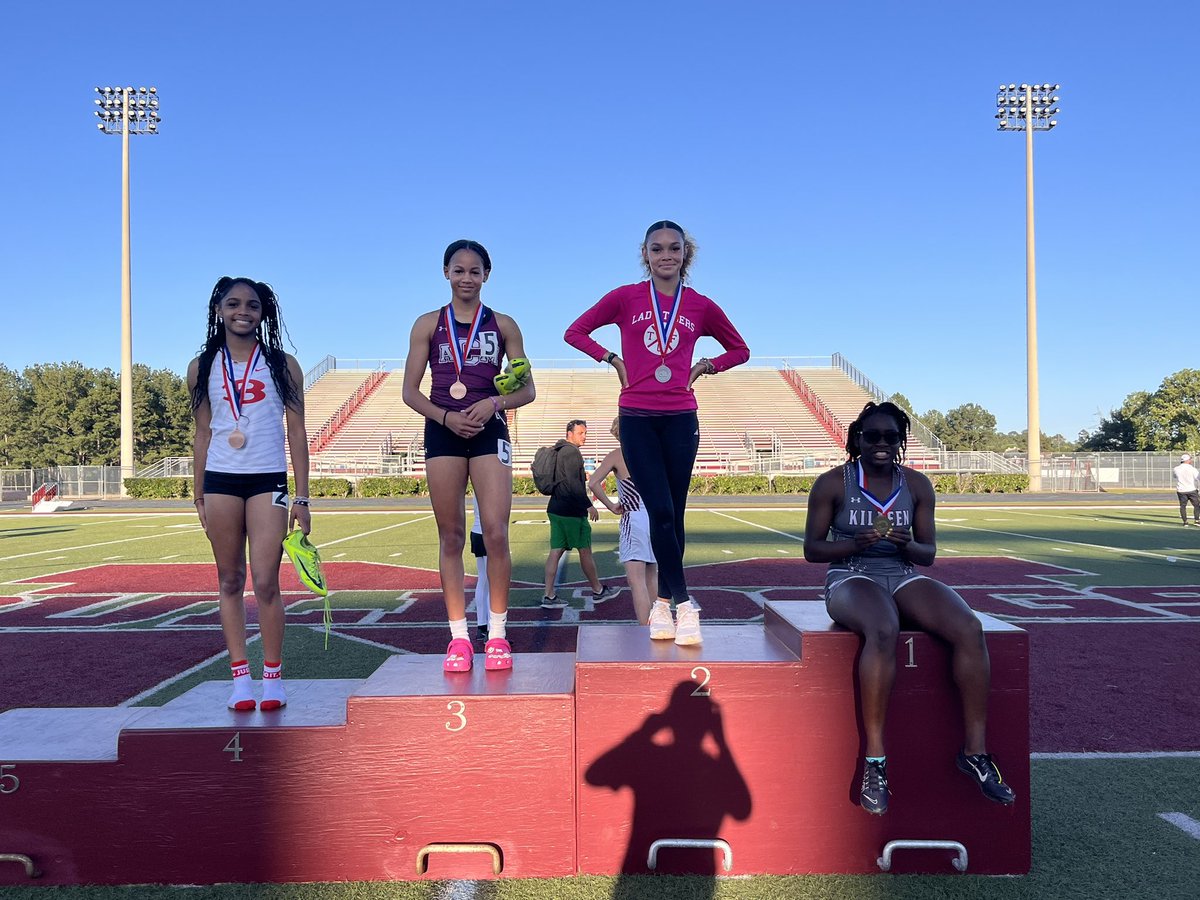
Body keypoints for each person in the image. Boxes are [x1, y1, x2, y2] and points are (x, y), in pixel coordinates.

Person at [803, 401, 1017, 815]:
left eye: (890, 437)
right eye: (872, 436)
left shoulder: (917, 485)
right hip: (851, 574)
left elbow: (927, 554)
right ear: (856, 440)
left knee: (969, 628)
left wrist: (905, 543)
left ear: (901, 441)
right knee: (882, 628)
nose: (881, 444)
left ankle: (974, 752)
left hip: (902, 573)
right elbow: (813, 550)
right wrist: (855, 543)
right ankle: (876, 762)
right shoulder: (833, 483)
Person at [565, 220, 749, 644]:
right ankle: (685, 605)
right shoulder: (626, 298)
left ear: (686, 254)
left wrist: (706, 366)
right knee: (661, 510)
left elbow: (740, 348)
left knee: (675, 513)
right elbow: (574, 331)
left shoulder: (700, 305)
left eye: (674, 248)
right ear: (645, 254)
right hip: (637, 416)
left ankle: (664, 603)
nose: (666, 255)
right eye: (657, 248)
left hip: (681, 416)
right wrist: (611, 358)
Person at [401, 240, 535, 672]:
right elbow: (409, 391)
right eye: (458, 270)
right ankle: (459, 637)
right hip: (443, 431)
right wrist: (445, 417)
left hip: (488, 428)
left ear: (486, 276)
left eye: (474, 271)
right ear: (446, 273)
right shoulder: (427, 324)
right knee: (451, 536)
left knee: (495, 532)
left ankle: (497, 634)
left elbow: (526, 390)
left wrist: (495, 403)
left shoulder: (504, 325)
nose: (466, 278)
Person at [188, 276, 310, 711]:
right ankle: (240, 679)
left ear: (264, 313)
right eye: (234, 303)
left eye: (253, 305)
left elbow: (296, 431)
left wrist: (303, 496)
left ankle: (273, 676)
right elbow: (203, 432)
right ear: (219, 309)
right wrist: (198, 493)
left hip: (268, 480)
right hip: (221, 480)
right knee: (229, 580)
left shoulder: (282, 364)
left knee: (265, 582)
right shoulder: (202, 366)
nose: (244, 311)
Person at [541, 420, 619, 608]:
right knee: (585, 551)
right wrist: (588, 505)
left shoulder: (559, 450)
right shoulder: (572, 452)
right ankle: (598, 590)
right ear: (570, 433)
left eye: (585, 433)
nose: (584, 436)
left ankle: (548, 595)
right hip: (571, 512)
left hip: (556, 508)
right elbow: (573, 484)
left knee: (556, 551)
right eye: (580, 433)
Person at [589, 417, 658, 626]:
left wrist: (610, 505)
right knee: (652, 576)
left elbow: (593, 483)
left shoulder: (617, 455)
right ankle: (660, 624)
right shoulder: (652, 452)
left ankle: (646, 630)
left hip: (633, 517)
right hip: (655, 518)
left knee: (636, 581)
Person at [1172, 452, 1200, 526]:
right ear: (1187, 460)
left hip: (1181, 490)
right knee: (1197, 505)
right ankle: (1197, 520)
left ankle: (1185, 522)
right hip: (1191, 489)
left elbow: (1174, 476)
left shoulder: (1176, 469)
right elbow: (1198, 478)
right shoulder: (1192, 469)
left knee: (1183, 506)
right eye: (1190, 459)